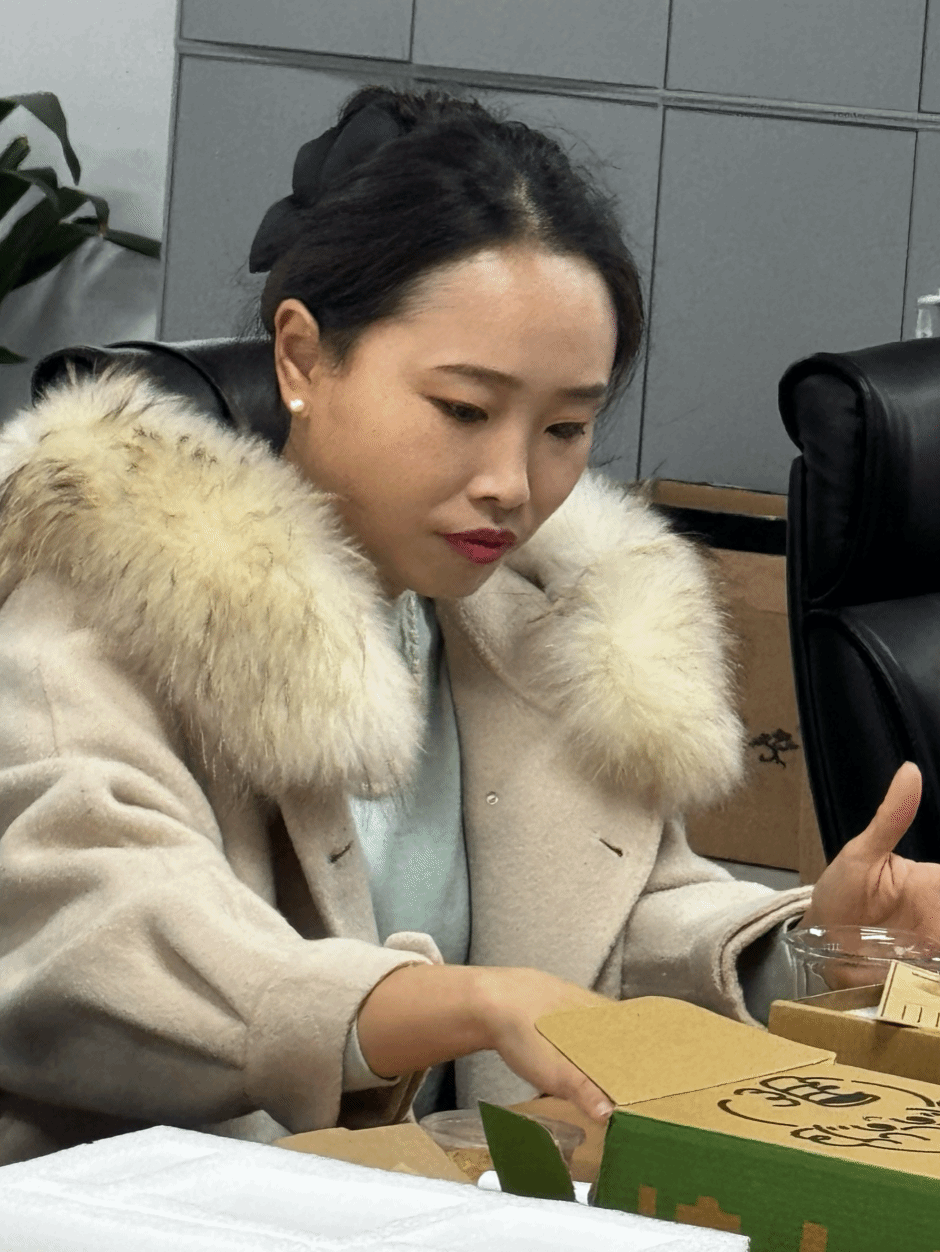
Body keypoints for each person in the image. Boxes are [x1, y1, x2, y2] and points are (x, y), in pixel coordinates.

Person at [0, 85, 936, 1167]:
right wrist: (444, 1004)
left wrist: (814, 943)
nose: (511, 482)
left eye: (565, 427)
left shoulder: (550, 620)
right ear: (301, 357)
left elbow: (609, 930)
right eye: (462, 409)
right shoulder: (107, 597)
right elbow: (94, 933)